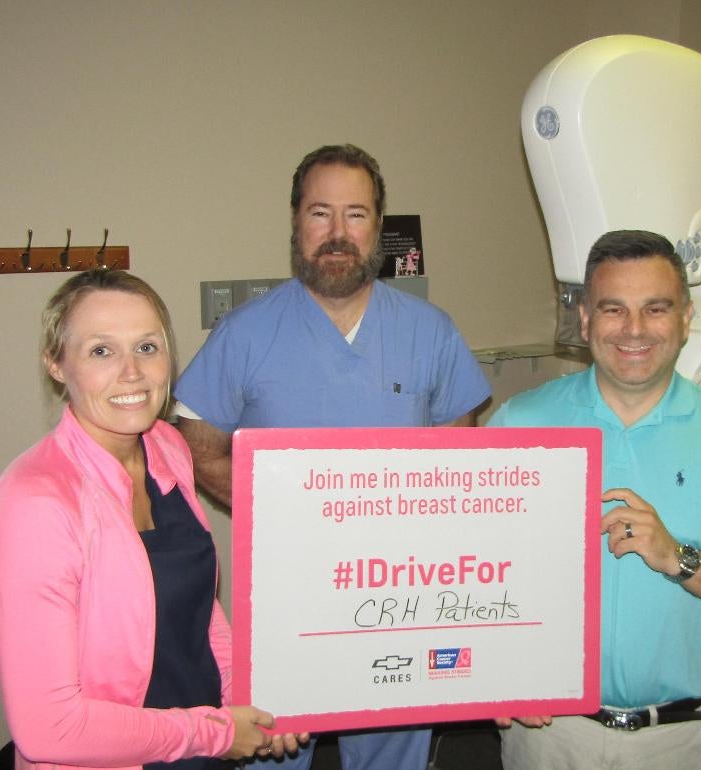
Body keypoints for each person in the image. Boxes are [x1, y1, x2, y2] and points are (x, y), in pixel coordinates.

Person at [173, 144, 491, 770]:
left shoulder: (431, 332)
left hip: (401, 595)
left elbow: (461, 456)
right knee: (274, 746)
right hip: (287, 598)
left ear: (379, 225)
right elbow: (198, 446)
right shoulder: (245, 333)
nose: (338, 234)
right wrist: (297, 518)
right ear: (295, 222)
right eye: (321, 214)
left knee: (392, 752)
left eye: (357, 214)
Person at [489, 230, 701, 770]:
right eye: (613, 309)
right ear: (586, 321)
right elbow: (462, 570)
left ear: (686, 319)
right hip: (549, 736)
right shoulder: (519, 426)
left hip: (678, 739)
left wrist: (678, 559)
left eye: (656, 309)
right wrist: (496, 671)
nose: (634, 330)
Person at [0, 269, 307, 770]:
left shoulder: (167, 446)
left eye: (148, 347)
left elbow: (202, 616)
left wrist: (253, 701)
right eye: (101, 351)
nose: (132, 372)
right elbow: (50, 728)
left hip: (198, 750)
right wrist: (214, 733)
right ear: (56, 364)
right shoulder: (35, 503)